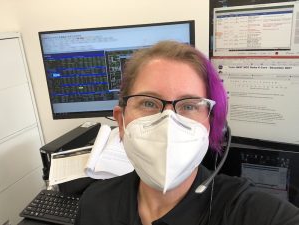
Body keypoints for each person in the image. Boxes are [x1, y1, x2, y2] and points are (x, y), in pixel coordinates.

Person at [75, 41, 299, 225]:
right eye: (148, 103)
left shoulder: (247, 211)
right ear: (121, 122)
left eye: (190, 106)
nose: (169, 122)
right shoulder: (95, 204)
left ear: (211, 125)